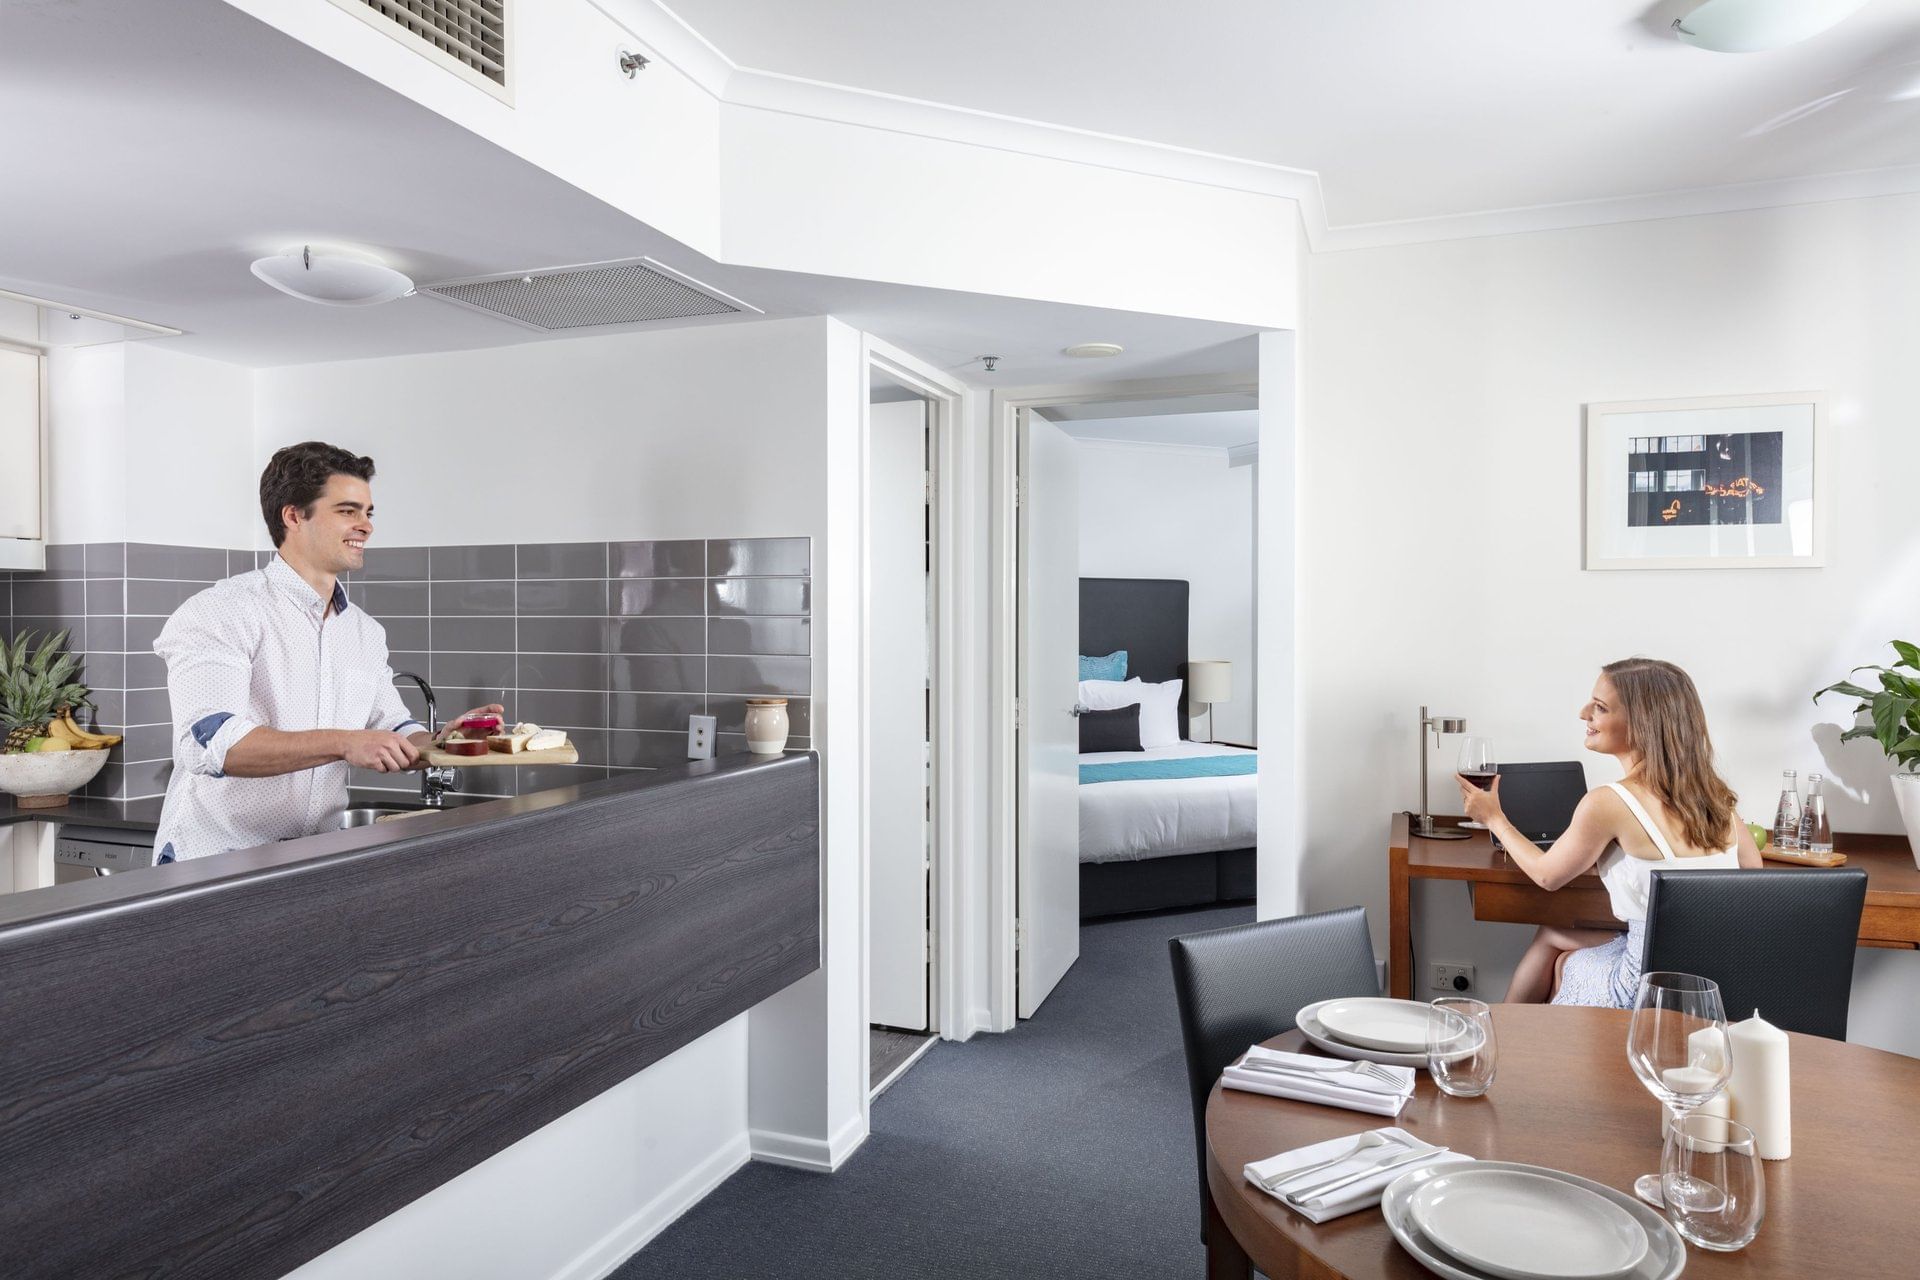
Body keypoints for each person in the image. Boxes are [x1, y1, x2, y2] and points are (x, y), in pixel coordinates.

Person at [151, 441, 503, 863]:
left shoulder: (364, 632)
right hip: (215, 862)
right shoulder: (221, 611)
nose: (366, 526)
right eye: (347, 511)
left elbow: (393, 725)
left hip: (314, 861)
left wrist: (445, 742)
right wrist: (345, 743)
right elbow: (213, 745)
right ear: (294, 515)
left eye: (368, 513)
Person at [1456, 658, 1762, 1007]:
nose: (1583, 713)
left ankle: (1506, 1043)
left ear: (1642, 723)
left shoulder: (1609, 802)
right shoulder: (1717, 800)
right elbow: (1753, 877)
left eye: (1599, 707)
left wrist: (1494, 818)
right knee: (1553, 934)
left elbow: (1546, 876)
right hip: (1708, 984)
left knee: (1562, 962)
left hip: (1641, 990)